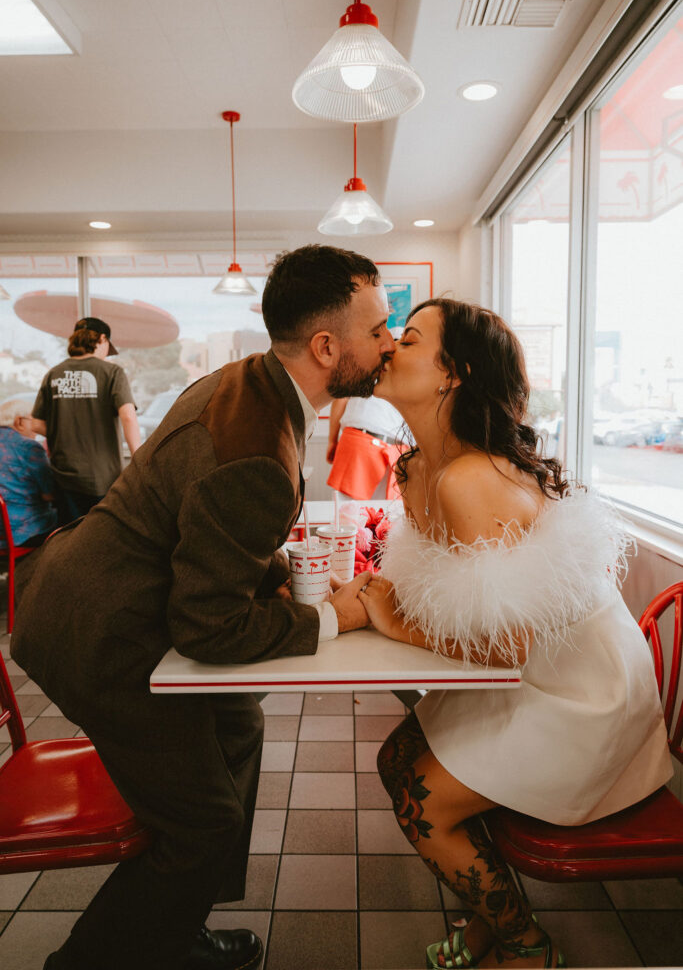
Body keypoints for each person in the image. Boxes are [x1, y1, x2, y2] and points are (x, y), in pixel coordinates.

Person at [11, 244, 395, 970]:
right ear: (325, 346)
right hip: (99, 632)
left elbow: (212, 529)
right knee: (204, 826)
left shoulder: (250, 378)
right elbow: (210, 627)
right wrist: (331, 617)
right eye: (376, 328)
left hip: (84, 585)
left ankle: (174, 920)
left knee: (237, 718)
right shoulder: (257, 447)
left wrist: (279, 572)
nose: (388, 341)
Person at [355, 298, 672, 969]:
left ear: (453, 374)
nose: (386, 346)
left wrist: (393, 622)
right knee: (393, 761)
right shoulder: (418, 469)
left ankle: (526, 944)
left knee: (421, 805)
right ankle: (489, 912)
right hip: (534, 677)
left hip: (578, 698)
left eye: (407, 338)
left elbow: (507, 647)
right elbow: (460, 605)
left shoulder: (471, 478)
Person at [23, 316, 141, 524]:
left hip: (64, 477)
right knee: (102, 538)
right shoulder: (112, 372)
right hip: (103, 478)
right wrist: (139, 460)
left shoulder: (53, 374)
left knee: (70, 541)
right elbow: (128, 418)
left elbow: (38, 424)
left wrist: (65, 427)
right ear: (102, 339)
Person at [0, 398, 57, 547]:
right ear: (19, 422)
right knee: (71, 519)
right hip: (18, 531)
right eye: (33, 421)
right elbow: (49, 495)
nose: (36, 429)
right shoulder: (28, 447)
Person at [326, 393, 404, 499]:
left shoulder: (358, 375)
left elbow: (341, 398)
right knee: (387, 511)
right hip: (398, 450)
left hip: (361, 442)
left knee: (347, 511)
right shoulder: (413, 377)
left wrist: (332, 441)